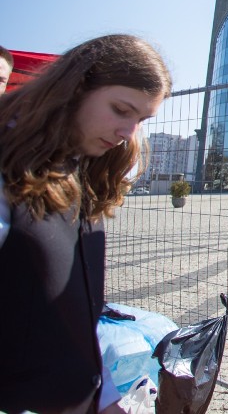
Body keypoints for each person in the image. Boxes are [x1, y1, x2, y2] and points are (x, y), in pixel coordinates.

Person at [0, 34, 171, 414]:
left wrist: (104, 395)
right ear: (75, 88)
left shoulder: (79, 173)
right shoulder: (10, 167)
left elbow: (73, 322)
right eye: (120, 110)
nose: (128, 133)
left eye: (141, 120)